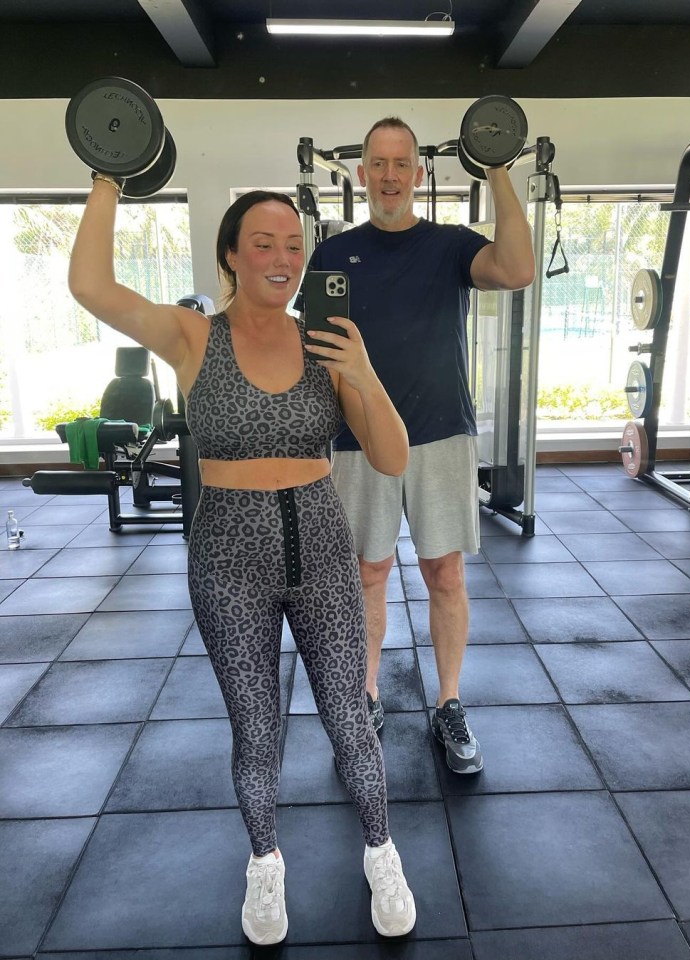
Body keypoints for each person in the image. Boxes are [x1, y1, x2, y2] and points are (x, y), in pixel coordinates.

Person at [68, 179, 416, 945]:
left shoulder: (325, 342)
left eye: (294, 245)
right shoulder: (194, 337)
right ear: (230, 254)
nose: (282, 258)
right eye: (263, 243)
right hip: (228, 557)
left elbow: (390, 457)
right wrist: (107, 180)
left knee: (351, 723)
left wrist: (361, 370)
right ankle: (265, 866)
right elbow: (91, 286)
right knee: (256, 732)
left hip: (323, 550)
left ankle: (381, 854)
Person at [302, 117, 535, 774]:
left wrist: (494, 166)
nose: (388, 176)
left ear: (419, 175)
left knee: (444, 573)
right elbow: (317, 357)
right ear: (361, 174)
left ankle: (449, 703)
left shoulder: (450, 245)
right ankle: (367, 694)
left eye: (400, 163)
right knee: (366, 574)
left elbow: (516, 268)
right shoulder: (332, 253)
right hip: (356, 439)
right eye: (377, 163)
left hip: (439, 433)